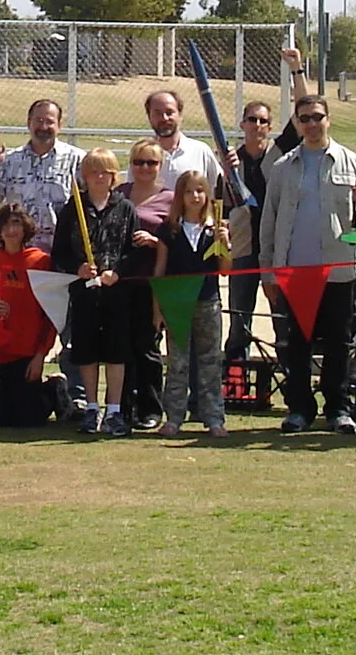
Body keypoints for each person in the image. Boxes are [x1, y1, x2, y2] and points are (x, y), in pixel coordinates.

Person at [258, 91, 356, 434]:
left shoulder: (349, 161)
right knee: (297, 342)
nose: (312, 124)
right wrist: (268, 269)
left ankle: (338, 408)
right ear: (298, 123)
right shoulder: (283, 167)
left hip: (340, 269)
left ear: (328, 120)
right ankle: (299, 408)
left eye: (318, 117)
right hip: (295, 269)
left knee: (340, 342)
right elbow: (268, 222)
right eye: (305, 119)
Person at [51, 148, 142, 436]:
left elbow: (133, 252)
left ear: (114, 176)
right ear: (85, 176)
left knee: (116, 352)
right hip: (84, 293)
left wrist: (118, 273)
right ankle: (92, 408)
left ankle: (114, 410)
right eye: (94, 172)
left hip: (116, 293)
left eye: (105, 172)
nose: (99, 177)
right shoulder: (72, 208)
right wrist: (77, 268)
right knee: (86, 351)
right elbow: (59, 253)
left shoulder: (125, 208)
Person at [153, 169, 228, 436]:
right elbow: (159, 271)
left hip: (208, 302)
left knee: (210, 361)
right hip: (177, 304)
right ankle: (173, 417)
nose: (195, 196)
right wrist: (157, 308)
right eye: (188, 191)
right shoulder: (169, 230)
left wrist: (225, 243)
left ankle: (214, 417)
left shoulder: (214, 228)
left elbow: (225, 269)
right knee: (178, 362)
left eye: (199, 191)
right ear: (180, 196)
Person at [0, 202, 56, 428]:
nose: (11, 230)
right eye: (5, 225)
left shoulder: (40, 262)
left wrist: (40, 356)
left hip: (26, 353)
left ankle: (54, 389)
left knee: (28, 420)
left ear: (25, 228)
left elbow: (50, 315)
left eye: (16, 224)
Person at [220, 93, 279, 367]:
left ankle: (290, 376)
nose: (257, 125)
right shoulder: (230, 163)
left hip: (276, 249)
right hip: (243, 248)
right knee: (238, 318)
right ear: (242, 124)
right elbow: (220, 209)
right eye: (252, 119)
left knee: (282, 317)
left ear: (270, 126)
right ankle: (235, 378)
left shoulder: (281, 158)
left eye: (263, 121)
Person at [118, 140, 174, 426]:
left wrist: (155, 241)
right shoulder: (119, 194)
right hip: (119, 281)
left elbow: (178, 242)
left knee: (148, 347)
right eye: (139, 162)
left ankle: (150, 408)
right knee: (121, 347)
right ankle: (121, 406)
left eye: (151, 162)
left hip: (151, 283)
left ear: (160, 167)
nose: (144, 168)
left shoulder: (169, 199)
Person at [0, 98, 80, 246]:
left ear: (59, 125)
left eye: (50, 121)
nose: (44, 126)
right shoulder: (10, 161)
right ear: (29, 123)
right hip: (19, 249)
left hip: (61, 250)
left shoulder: (77, 159)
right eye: (38, 120)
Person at [143, 88, 221, 191]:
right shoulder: (142, 154)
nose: (164, 118)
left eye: (169, 112)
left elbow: (221, 187)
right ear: (149, 117)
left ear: (180, 115)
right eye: (157, 113)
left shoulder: (201, 151)